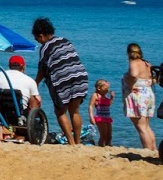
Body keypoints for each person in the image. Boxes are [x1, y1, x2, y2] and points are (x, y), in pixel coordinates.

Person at [32, 17, 89, 146]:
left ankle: (71, 142)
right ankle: (78, 142)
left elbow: (42, 69)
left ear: (41, 35)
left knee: (60, 111)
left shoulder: (45, 47)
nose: (36, 40)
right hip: (80, 76)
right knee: (75, 111)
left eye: (36, 38)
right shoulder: (65, 40)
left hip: (63, 79)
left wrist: (35, 83)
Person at [121, 43, 158, 152]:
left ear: (128, 53)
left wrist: (128, 81)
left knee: (141, 127)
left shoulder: (134, 63)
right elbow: (153, 78)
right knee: (146, 126)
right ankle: (153, 149)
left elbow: (134, 75)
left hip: (139, 95)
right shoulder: (147, 63)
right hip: (148, 93)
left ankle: (147, 151)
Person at [89, 79, 114, 147]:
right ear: (99, 88)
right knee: (103, 135)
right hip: (100, 118)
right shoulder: (95, 95)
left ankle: (108, 145)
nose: (107, 90)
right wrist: (91, 117)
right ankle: (100, 146)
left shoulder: (105, 96)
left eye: (108, 88)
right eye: (106, 88)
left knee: (109, 135)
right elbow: (91, 106)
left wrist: (111, 98)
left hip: (107, 118)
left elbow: (108, 104)